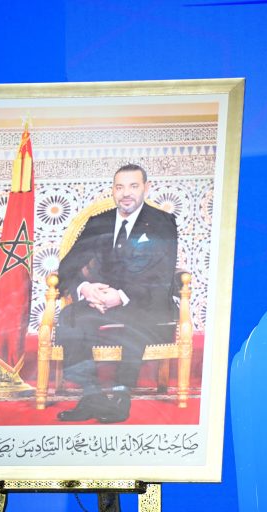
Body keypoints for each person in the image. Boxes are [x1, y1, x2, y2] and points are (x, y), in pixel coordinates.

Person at [55, 164, 178, 423]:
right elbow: (68, 265)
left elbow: (161, 274)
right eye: (119, 187)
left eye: (133, 186)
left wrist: (120, 296)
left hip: (143, 300)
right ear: (112, 190)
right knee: (70, 317)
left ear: (146, 188)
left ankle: (122, 396)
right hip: (101, 298)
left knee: (135, 317)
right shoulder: (98, 222)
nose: (126, 193)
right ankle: (92, 396)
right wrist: (86, 289)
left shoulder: (162, 223)